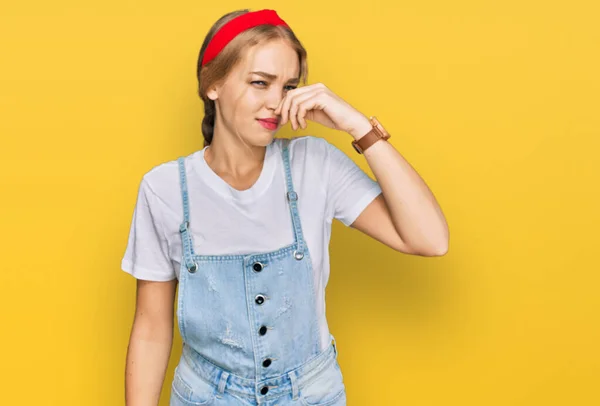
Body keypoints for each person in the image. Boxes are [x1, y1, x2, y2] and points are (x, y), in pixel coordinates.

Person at [121, 8, 449, 406]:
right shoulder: (166, 189)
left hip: (312, 396)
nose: (276, 103)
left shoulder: (315, 164)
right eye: (260, 83)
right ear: (213, 84)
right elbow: (152, 328)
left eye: (288, 86)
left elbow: (430, 239)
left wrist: (358, 127)